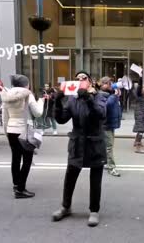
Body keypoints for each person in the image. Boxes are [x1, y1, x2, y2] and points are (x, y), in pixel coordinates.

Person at [52, 71, 108, 227]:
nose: (81, 80)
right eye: (77, 79)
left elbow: (101, 115)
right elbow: (62, 119)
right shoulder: (72, 99)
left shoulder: (100, 96)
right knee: (70, 176)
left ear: (90, 81)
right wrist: (57, 102)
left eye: (84, 78)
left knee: (95, 180)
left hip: (94, 143)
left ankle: (94, 211)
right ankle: (65, 206)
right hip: (77, 143)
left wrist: (88, 99)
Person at [0, 74, 44, 199]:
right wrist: (41, 101)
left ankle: (16, 184)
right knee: (27, 160)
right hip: (24, 130)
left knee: (16, 158)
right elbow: (38, 113)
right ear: (26, 84)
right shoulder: (27, 94)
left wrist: (6, 132)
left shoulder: (6, 95)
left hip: (11, 129)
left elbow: (4, 117)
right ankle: (20, 189)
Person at [101, 77, 122, 177]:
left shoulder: (110, 94)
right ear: (103, 84)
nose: (110, 85)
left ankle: (106, 163)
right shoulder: (101, 94)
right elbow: (107, 105)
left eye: (111, 83)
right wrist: (115, 96)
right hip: (106, 125)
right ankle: (111, 168)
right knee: (109, 147)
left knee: (108, 146)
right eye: (108, 84)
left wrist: (116, 96)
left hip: (110, 124)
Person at [133, 77, 144, 154]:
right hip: (140, 113)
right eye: (143, 88)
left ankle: (136, 141)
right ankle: (138, 148)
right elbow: (139, 87)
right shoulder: (139, 95)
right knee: (141, 130)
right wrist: (140, 77)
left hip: (143, 113)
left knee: (141, 129)